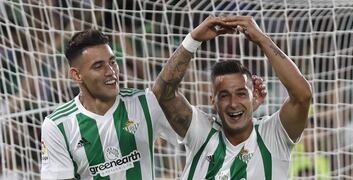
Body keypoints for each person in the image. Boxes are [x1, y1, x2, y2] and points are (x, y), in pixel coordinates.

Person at [40, 29, 267, 180]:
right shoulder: (57, 125)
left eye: (113, 62)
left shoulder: (145, 103)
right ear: (76, 75)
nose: (112, 72)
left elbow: (209, 137)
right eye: (99, 66)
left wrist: (243, 112)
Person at [153, 16, 312, 179]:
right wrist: (193, 40)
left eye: (241, 94)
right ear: (213, 101)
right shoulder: (201, 132)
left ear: (255, 97)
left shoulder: (272, 135)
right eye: (224, 95)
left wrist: (262, 39)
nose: (233, 103)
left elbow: (302, 96)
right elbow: (162, 93)